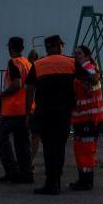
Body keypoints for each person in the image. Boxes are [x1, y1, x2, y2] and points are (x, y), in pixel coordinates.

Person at [26, 35, 78, 195]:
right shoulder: (72, 63)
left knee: (49, 147)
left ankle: (51, 183)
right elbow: (90, 78)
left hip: (45, 112)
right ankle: (57, 180)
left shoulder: (38, 64)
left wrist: (28, 110)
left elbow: (30, 89)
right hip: (64, 112)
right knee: (60, 146)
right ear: (59, 46)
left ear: (47, 47)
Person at [0, 37, 34, 184]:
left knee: (0, 137)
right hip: (25, 109)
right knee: (22, 142)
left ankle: (12, 171)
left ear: (10, 47)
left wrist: (0, 95)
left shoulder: (13, 63)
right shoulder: (27, 63)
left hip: (13, 109)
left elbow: (16, 84)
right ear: (22, 48)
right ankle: (26, 173)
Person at [69, 45, 103, 191]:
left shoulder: (88, 69)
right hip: (84, 117)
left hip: (88, 117)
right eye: (75, 53)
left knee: (85, 149)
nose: (76, 56)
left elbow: (91, 84)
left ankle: (86, 180)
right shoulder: (86, 69)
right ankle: (84, 178)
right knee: (82, 148)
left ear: (87, 55)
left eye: (80, 54)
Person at [27, 48, 42, 163]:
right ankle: (30, 159)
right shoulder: (40, 68)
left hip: (31, 107)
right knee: (35, 136)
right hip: (37, 106)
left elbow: (30, 90)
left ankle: (29, 160)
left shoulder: (31, 69)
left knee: (33, 135)